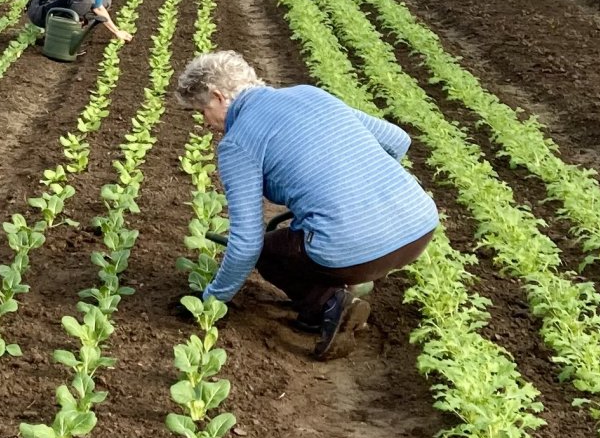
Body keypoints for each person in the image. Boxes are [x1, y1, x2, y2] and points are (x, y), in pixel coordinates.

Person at [174, 49, 440, 358]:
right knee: (308, 239)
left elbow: (246, 244)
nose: (205, 122)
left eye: (202, 111)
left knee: (269, 252)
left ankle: (328, 305)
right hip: (419, 227)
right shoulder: (310, 94)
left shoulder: (238, 143)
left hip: (354, 250)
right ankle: (351, 283)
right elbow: (398, 140)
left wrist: (211, 299)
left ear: (218, 97)